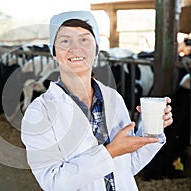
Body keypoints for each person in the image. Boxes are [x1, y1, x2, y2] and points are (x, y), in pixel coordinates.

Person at [21, 10, 173, 191]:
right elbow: (53, 183)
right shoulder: (39, 112)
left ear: (97, 48)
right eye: (64, 41)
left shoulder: (113, 98)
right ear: (54, 52)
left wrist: (151, 132)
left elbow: (128, 166)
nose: (75, 48)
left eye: (84, 39)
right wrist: (110, 152)